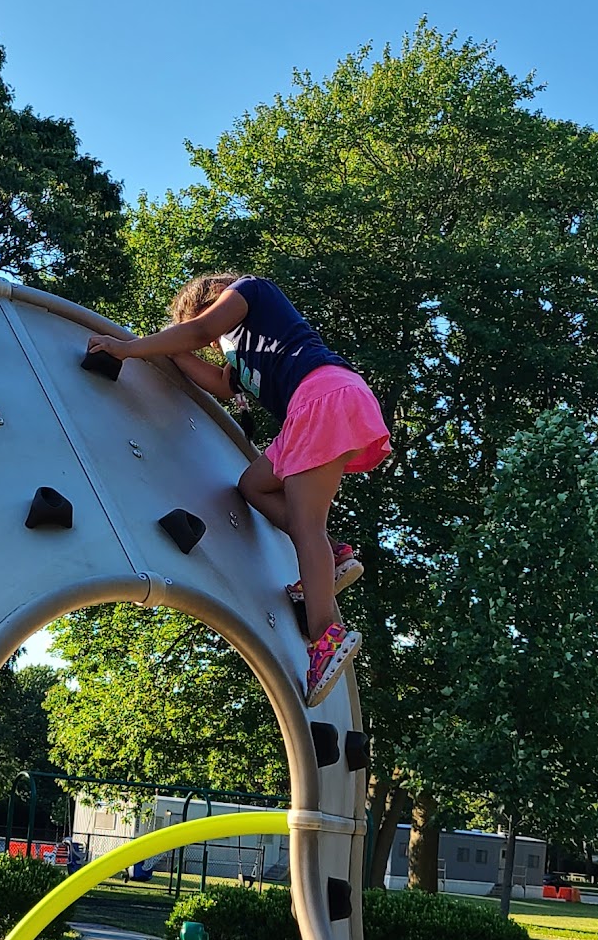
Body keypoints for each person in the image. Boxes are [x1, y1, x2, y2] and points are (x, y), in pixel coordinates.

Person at [87, 274, 389, 706]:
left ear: (206, 303)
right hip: (313, 407)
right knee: (254, 485)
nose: (210, 348)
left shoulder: (251, 291)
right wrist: (170, 351)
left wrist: (128, 348)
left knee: (306, 524)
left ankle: (326, 635)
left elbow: (198, 331)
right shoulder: (239, 355)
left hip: (322, 397)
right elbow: (220, 384)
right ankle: (333, 554)